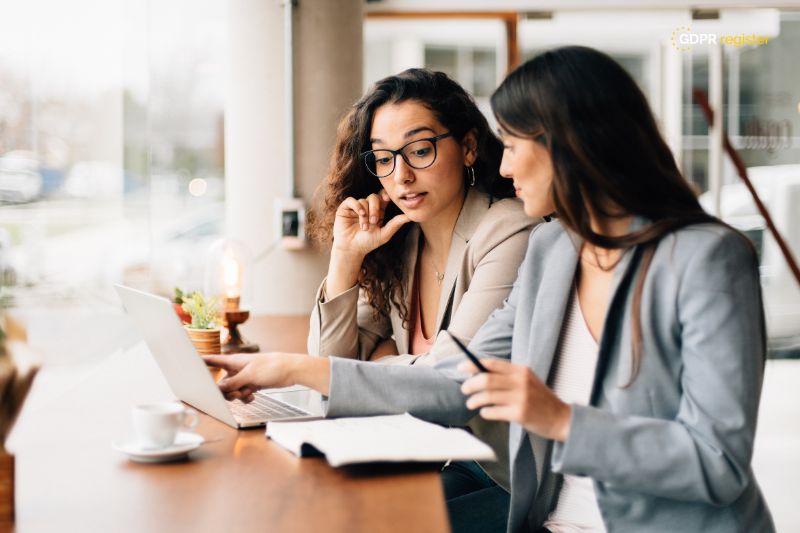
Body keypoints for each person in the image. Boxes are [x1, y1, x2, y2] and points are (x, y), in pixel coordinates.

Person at [205, 46, 774, 532]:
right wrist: (292, 369)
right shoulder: (555, 251)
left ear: (572, 146)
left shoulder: (707, 258)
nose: (505, 168)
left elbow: (718, 461)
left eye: (515, 144)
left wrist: (560, 419)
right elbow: (453, 381)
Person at [304, 68, 536, 506]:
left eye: (420, 150)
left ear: (468, 147)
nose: (402, 175)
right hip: (415, 452)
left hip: (492, 471)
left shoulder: (508, 230)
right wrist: (345, 258)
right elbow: (330, 375)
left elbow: (449, 384)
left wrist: (380, 360)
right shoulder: (400, 240)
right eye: (385, 158)